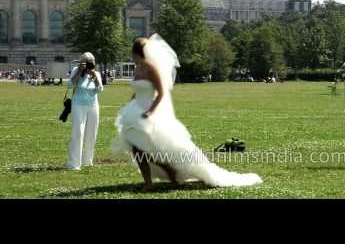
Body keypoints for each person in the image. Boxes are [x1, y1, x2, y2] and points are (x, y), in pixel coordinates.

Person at [112, 35, 262, 191]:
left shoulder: (151, 69)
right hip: (135, 112)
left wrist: (150, 111)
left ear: (137, 52)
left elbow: (161, 92)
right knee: (138, 148)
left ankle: (161, 175)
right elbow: (137, 91)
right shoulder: (138, 69)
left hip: (149, 113)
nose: (131, 56)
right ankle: (163, 174)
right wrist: (130, 103)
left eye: (132, 53)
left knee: (145, 149)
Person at [66, 52, 103, 170]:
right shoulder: (76, 70)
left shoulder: (95, 73)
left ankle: (87, 161)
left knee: (92, 133)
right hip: (78, 105)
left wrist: (95, 78)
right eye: (86, 63)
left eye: (90, 63)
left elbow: (100, 89)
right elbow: (69, 85)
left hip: (93, 105)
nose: (88, 66)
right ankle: (74, 163)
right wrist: (78, 72)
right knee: (78, 132)